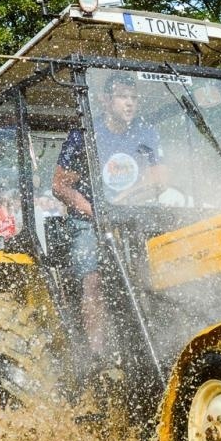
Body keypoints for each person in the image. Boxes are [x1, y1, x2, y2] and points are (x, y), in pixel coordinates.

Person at [53, 72, 168, 358]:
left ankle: (163, 340)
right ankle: (96, 355)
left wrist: (134, 196)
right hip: (89, 220)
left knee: (159, 269)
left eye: (133, 97)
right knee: (94, 280)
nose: (129, 103)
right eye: (122, 97)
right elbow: (60, 185)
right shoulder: (85, 134)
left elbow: (160, 178)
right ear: (106, 100)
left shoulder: (145, 132)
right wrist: (98, 213)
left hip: (135, 215)